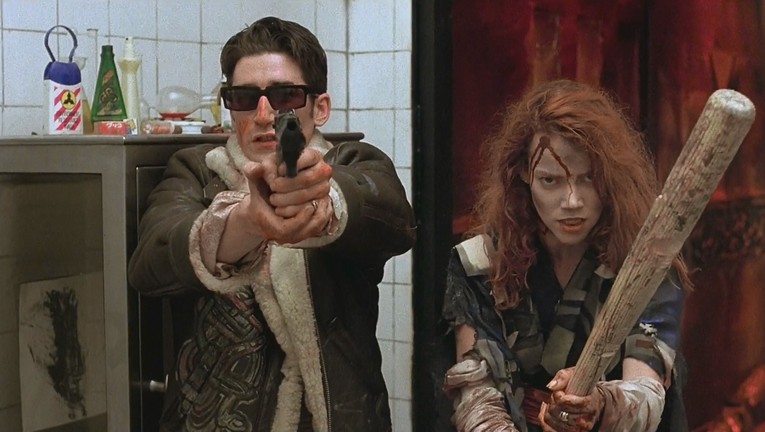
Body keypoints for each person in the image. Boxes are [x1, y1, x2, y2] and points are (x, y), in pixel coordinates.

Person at [128, 16, 416, 432]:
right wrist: (246, 220)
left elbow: (391, 217)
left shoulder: (353, 162)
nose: (264, 115)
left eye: (284, 96)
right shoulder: (195, 171)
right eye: (245, 98)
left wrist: (322, 200)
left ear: (320, 108)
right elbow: (150, 263)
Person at [440, 79, 690, 432]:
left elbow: (646, 394)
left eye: (588, 178)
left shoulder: (646, 264)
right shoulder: (482, 263)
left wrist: (598, 403)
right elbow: (476, 395)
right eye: (550, 180)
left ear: (610, 177)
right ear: (524, 174)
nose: (572, 201)